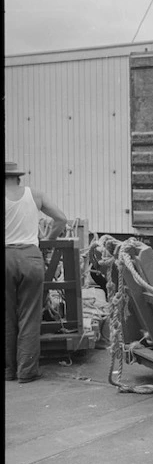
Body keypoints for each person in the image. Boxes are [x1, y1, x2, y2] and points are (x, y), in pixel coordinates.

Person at [5, 160, 68, 383]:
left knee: (7, 317)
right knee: (29, 316)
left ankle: (8, 371)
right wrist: (48, 241)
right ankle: (27, 371)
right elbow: (61, 219)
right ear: (18, 177)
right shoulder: (35, 194)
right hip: (30, 256)